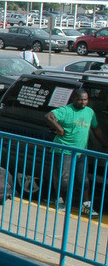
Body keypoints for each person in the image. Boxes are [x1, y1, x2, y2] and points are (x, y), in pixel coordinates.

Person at [45, 88, 107, 216]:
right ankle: (60, 199)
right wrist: (60, 129)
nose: (83, 102)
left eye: (85, 100)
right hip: (64, 150)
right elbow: (49, 116)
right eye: (80, 99)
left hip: (81, 151)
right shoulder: (66, 110)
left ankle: (86, 205)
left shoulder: (90, 112)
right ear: (74, 99)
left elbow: (96, 129)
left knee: (83, 179)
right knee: (64, 178)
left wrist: (104, 144)